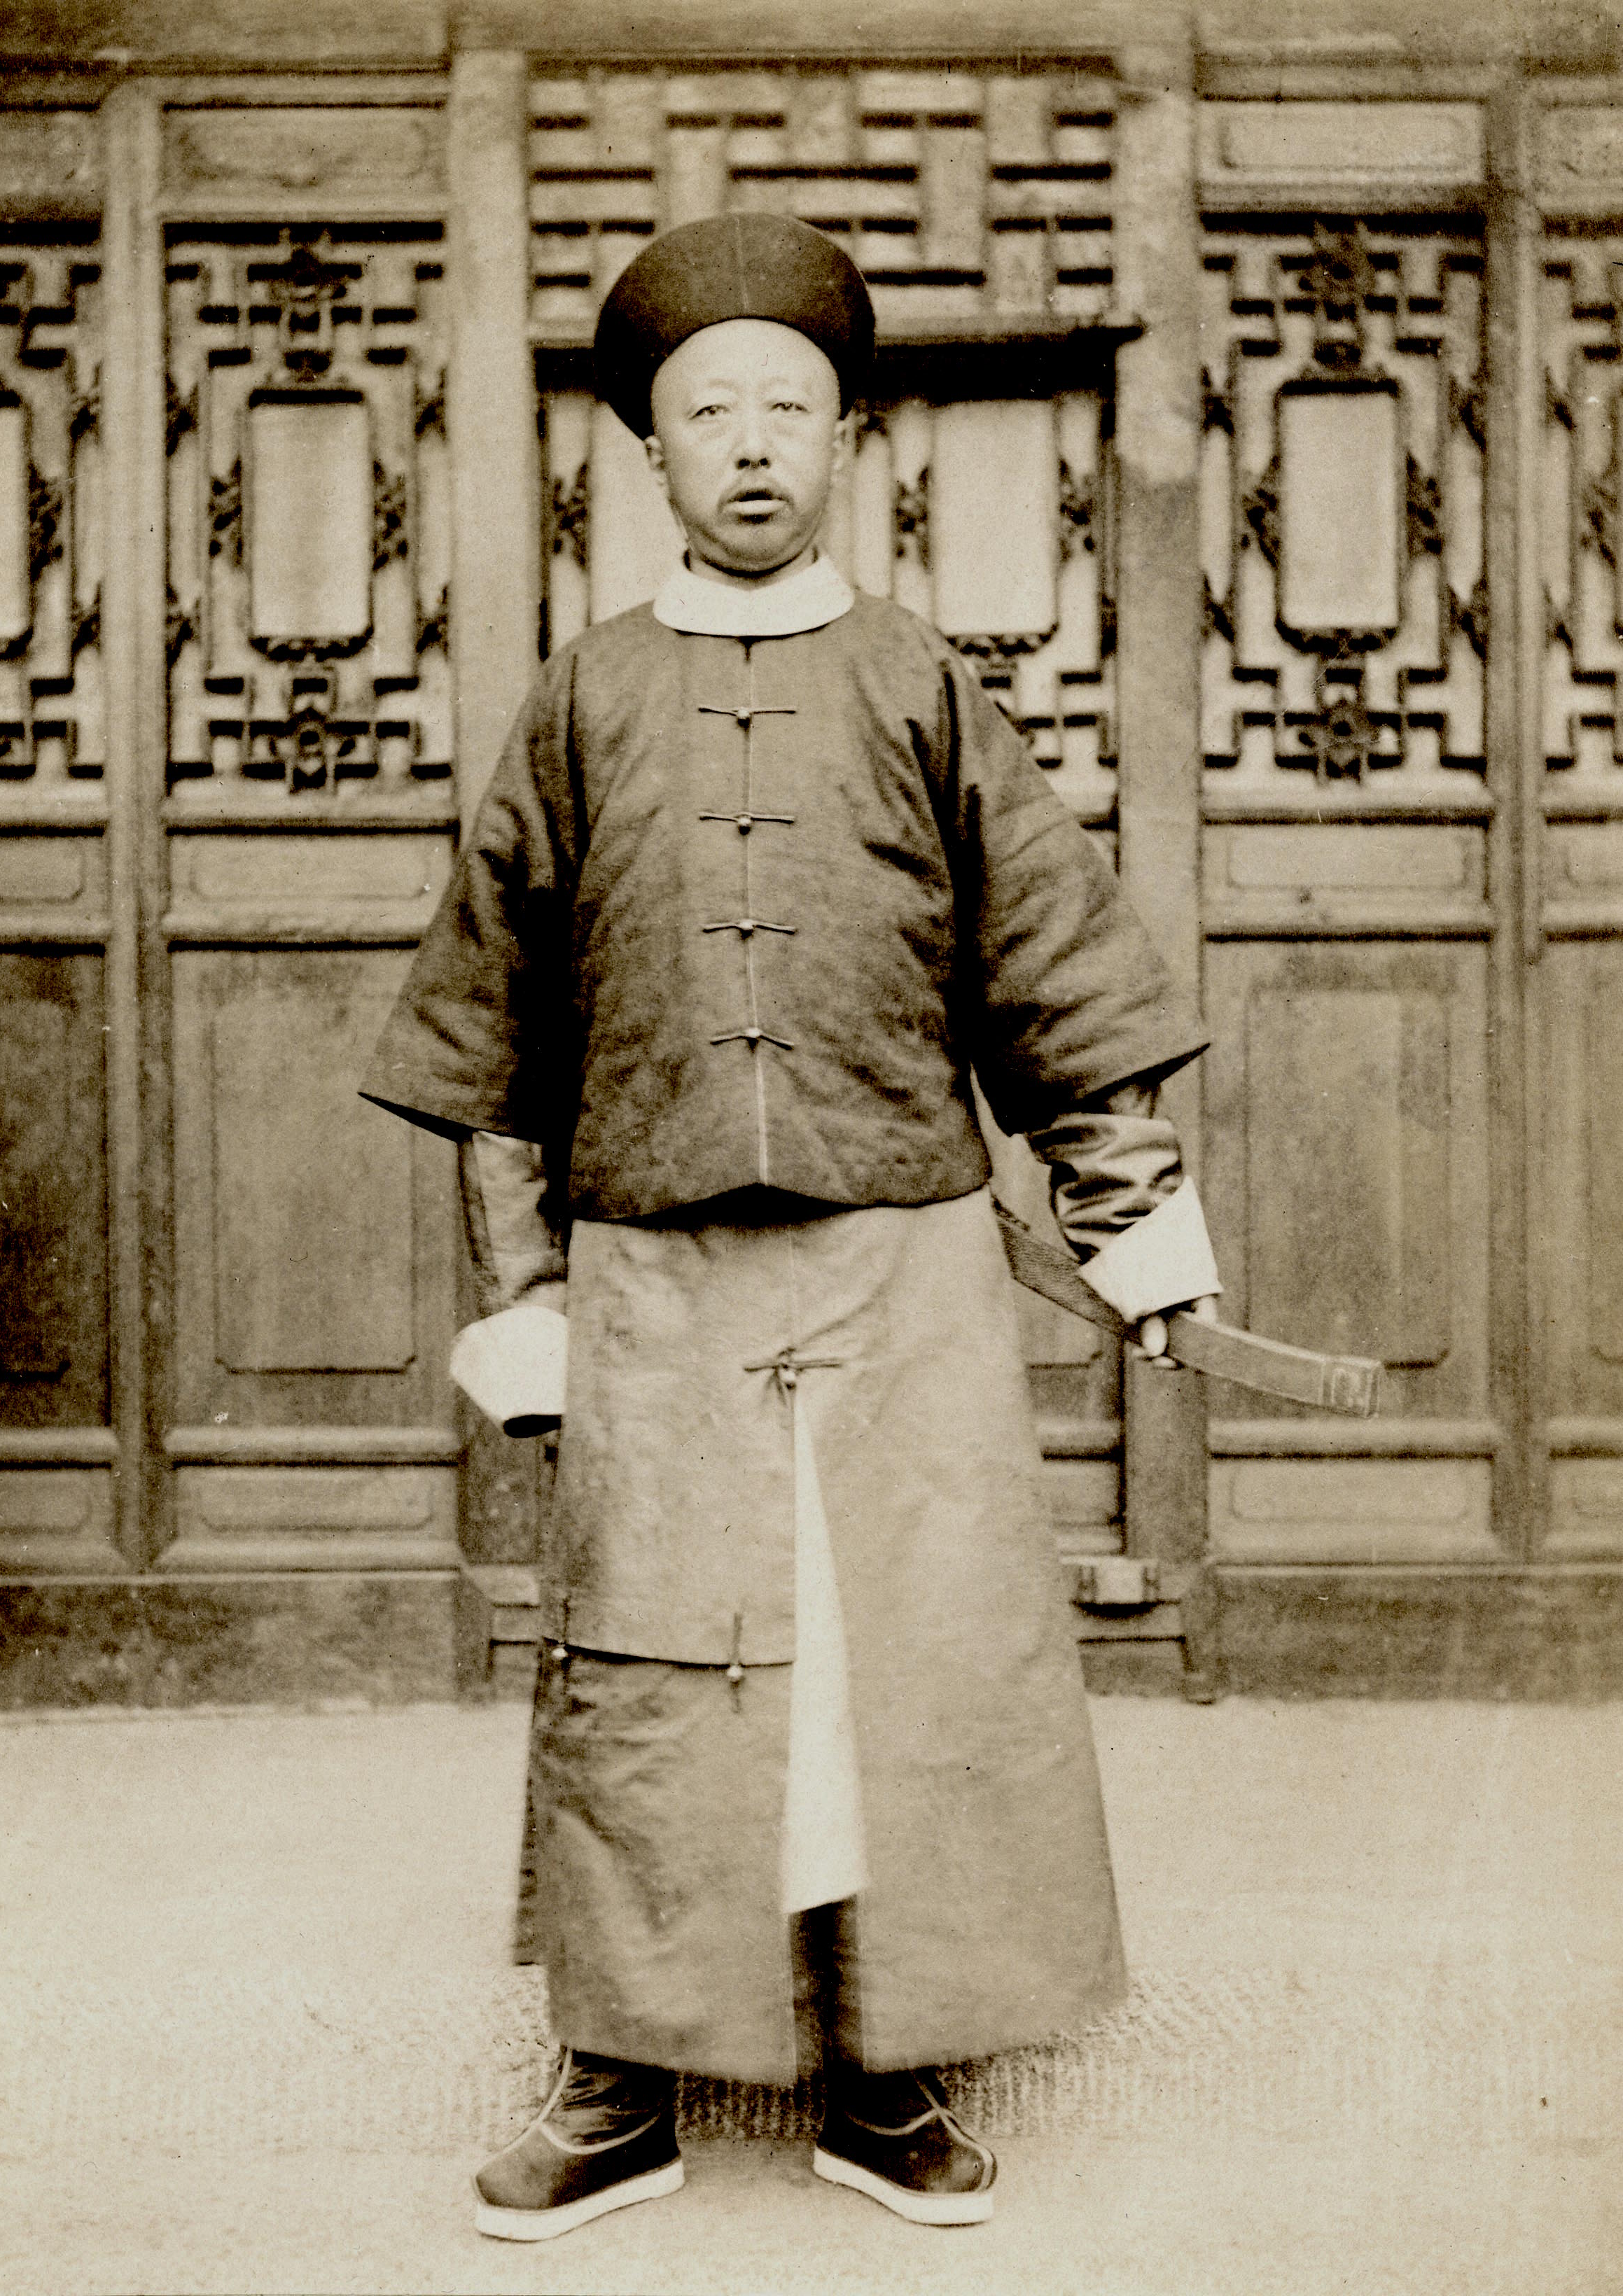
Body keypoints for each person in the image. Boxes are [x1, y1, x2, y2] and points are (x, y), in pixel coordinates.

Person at [361, 209, 1220, 2244]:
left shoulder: (925, 685)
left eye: (788, 409)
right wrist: (527, 1298)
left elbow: (1057, 982)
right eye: (708, 412)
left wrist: (1135, 1229)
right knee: (649, 1673)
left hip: (902, 1278)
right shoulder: (580, 700)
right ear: (649, 452)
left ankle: (886, 2071)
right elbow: (498, 1045)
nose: (751, 444)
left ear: (847, 443)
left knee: (895, 1665)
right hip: (654, 1286)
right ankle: (624, 2077)